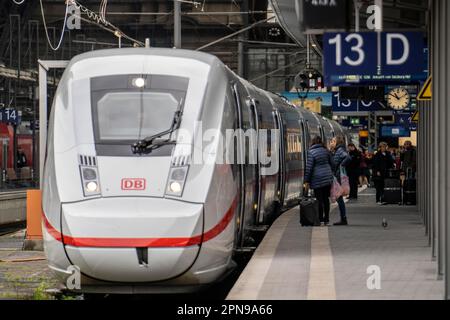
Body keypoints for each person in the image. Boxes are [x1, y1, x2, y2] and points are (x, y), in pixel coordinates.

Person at [304, 136, 334, 226]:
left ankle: (320, 219)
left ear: (313, 142)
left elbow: (309, 168)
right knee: (326, 199)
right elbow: (333, 164)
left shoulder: (311, 152)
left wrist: (306, 180)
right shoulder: (326, 151)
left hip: (317, 179)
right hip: (328, 178)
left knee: (319, 200)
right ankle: (327, 219)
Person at [330, 135, 351, 226]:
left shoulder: (340, 150)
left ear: (337, 142)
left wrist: (341, 165)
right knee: (339, 198)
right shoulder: (336, 151)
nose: (331, 142)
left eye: (333, 141)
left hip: (338, 177)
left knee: (339, 198)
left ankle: (343, 219)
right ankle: (343, 218)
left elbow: (348, 158)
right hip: (337, 176)